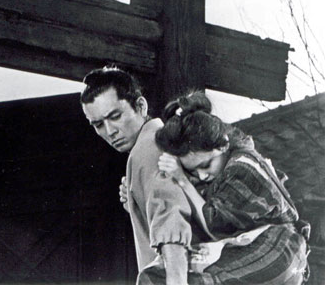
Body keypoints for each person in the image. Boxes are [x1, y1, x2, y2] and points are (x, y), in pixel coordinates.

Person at [138, 90, 309, 284]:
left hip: (277, 250)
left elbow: (214, 227)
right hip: (251, 245)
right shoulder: (224, 164)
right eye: (193, 171)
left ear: (223, 145)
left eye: (205, 165)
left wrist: (182, 179)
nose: (202, 175)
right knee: (154, 277)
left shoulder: (241, 168)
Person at [81, 66, 204, 285]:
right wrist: (136, 204)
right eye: (98, 124)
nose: (110, 131)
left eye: (115, 116)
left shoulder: (147, 150)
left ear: (141, 106)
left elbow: (171, 222)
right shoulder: (163, 140)